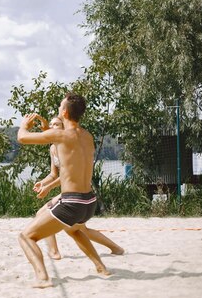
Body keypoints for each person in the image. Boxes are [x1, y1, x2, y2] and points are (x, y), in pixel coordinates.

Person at [17, 93, 110, 288]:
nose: (59, 110)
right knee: (74, 229)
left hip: (72, 202)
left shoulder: (61, 135)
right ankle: (101, 268)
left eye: (60, 107)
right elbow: (67, 157)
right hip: (89, 202)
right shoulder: (87, 136)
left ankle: (42, 278)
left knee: (26, 236)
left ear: (65, 112)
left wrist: (25, 124)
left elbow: (22, 138)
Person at [33, 116, 124, 260]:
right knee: (80, 230)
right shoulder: (52, 148)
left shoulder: (67, 146)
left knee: (42, 214)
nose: (52, 126)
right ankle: (115, 248)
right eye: (51, 124)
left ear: (63, 128)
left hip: (77, 195)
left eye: (56, 124)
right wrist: (43, 183)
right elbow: (53, 174)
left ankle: (54, 252)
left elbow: (66, 175)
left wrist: (49, 188)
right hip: (72, 195)